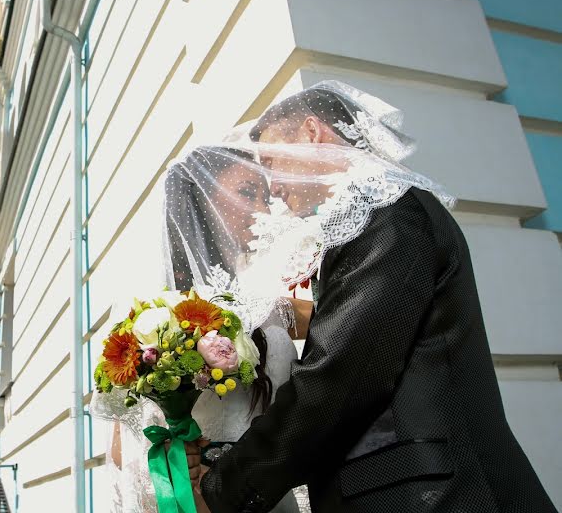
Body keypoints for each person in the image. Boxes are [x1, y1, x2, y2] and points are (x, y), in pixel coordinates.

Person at [192, 82, 556, 512]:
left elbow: (339, 379)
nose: (272, 187)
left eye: (272, 162)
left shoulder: (387, 215)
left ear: (312, 133)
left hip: (434, 497)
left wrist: (227, 486)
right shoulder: (368, 219)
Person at [91, 146, 312, 513]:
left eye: (264, 195)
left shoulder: (269, 303)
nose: (262, 208)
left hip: (267, 496)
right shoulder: (154, 313)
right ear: (201, 202)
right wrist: (174, 460)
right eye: (246, 193)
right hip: (193, 499)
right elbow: (119, 448)